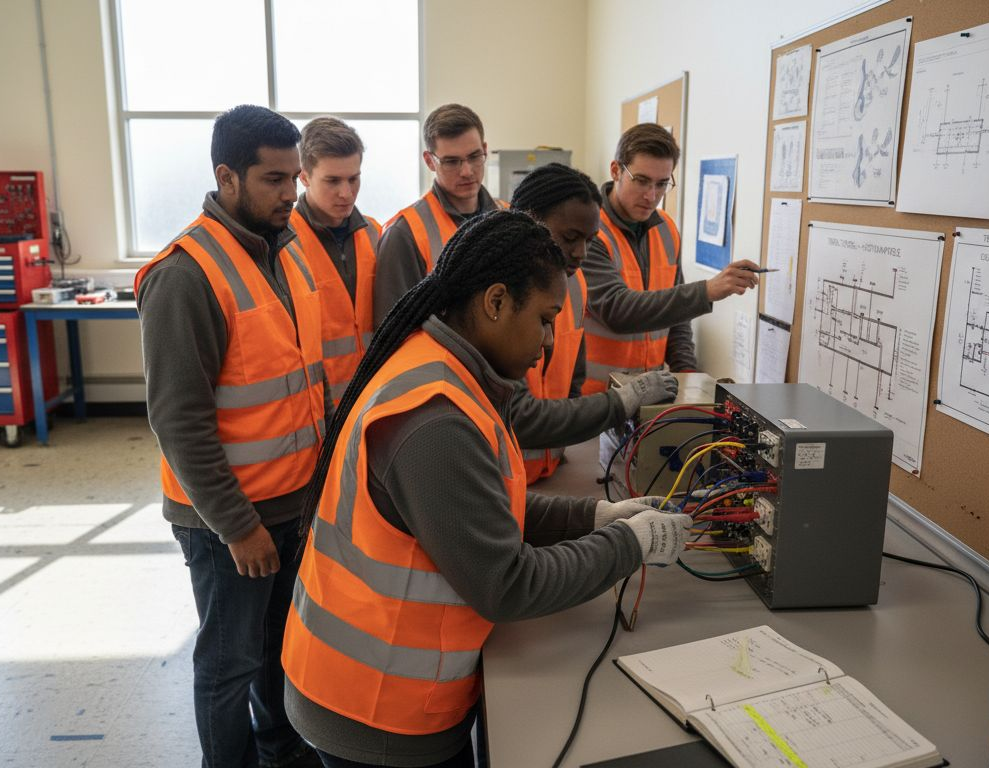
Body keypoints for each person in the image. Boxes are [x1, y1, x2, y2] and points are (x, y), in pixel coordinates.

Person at [281, 210, 693, 767]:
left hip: (384, 688)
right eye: (546, 319)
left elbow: (486, 509)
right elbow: (508, 584)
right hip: (376, 707)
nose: (550, 342)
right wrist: (630, 544)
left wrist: (597, 517)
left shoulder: (448, 369)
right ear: (496, 302)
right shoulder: (436, 419)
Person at [136, 104, 326, 768]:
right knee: (228, 664)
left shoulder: (286, 249)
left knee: (279, 652)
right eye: (275, 180)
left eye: (295, 177)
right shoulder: (185, 275)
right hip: (227, 523)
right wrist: (237, 526)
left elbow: (302, 380)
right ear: (228, 176)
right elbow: (178, 421)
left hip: (291, 504)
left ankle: (284, 756)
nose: (291, 194)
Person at [506, 163, 678, 483]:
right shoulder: (498, 299)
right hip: (502, 477)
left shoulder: (574, 283)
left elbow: (574, 379)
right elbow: (519, 417)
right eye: (570, 238)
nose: (580, 253)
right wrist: (623, 400)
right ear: (529, 221)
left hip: (549, 470)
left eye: (589, 240)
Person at [582, 123, 762, 393]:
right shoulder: (588, 230)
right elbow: (617, 309)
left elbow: (676, 315)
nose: (651, 195)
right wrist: (707, 291)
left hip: (649, 396)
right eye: (641, 180)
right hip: (596, 399)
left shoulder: (666, 228)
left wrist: (687, 374)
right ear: (616, 170)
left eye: (662, 183)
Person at [372, 103, 507, 325]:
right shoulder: (405, 233)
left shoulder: (509, 217)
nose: (467, 171)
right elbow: (393, 332)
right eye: (451, 161)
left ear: (484, 148)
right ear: (429, 161)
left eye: (475, 156)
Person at [288, 116, 382, 406]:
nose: (346, 193)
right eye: (332, 181)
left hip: (373, 399)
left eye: (354, 179)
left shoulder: (376, 234)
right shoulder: (283, 242)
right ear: (304, 177)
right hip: (313, 408)